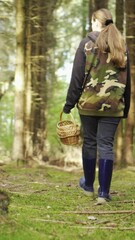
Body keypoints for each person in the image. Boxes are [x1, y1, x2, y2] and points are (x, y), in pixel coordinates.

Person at [63, 8, 131, 204]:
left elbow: (76, 78)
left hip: (88, 105)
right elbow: (128, 81)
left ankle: (88, 186)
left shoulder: (86, 44)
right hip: (114, 106)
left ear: (95, 22)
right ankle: (104, 193)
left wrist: (69, 104)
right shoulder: (121, 46)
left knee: (90, 143)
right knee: (106, 145)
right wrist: (124, 108)